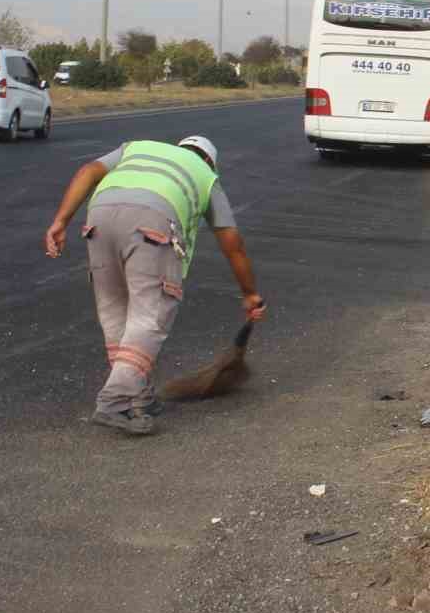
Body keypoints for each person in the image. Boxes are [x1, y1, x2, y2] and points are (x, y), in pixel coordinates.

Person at [42, 135, 266, 436]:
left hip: (99, 219)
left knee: (115, 311)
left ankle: (138, 396)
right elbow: (232, 242)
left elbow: (88, 171)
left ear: (180, 147)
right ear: (210, 161)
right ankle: (115, 400)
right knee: (149, 315)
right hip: (152, 224)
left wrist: (60, 220)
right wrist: (250, 293)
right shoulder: (205, 175)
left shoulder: (137, 148)